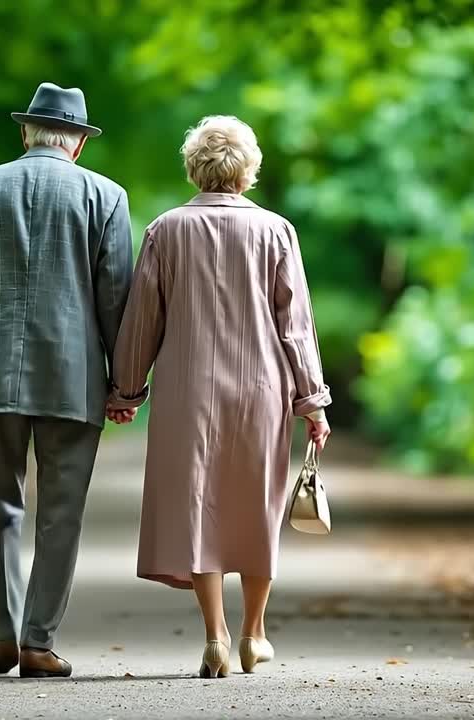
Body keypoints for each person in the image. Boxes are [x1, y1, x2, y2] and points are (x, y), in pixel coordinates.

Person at [107, 115, 332, 678]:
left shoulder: (165, 230)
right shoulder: (277, 231)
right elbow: (295, 325)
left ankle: (216, 637)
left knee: (198, 507)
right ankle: (256, 634)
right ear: (248, 170)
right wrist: (313, 400)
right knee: (257, 506)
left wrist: (126, 389)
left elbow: (142, 322)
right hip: (263, 390)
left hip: (188, 392)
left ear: (195, 168)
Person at [0, 82, 135, 679]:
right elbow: (116, 299)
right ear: (77, 142)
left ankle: (1, 634)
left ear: (26, 132)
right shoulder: (106, 196)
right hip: (74, 382)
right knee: (61, 512)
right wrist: (124, 384)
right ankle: (37, 640)